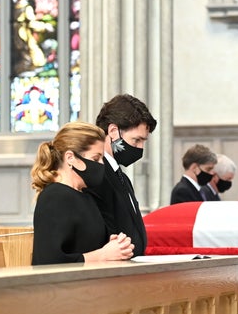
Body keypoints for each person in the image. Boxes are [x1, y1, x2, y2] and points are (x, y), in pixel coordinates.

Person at [31, 122, 134, 265]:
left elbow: (83, 246)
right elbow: (49, 261)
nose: (101, 165)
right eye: (95, 159)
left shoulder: (85, 196)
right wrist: (102, 255)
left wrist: (114, 246)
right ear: (70, 158)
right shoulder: (55, 197)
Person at [89, 94, 157, 258]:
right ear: (113, 131)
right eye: (136, 140)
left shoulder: (122, 177)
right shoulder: (97, 175)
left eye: (143, 142)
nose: (140, 148)